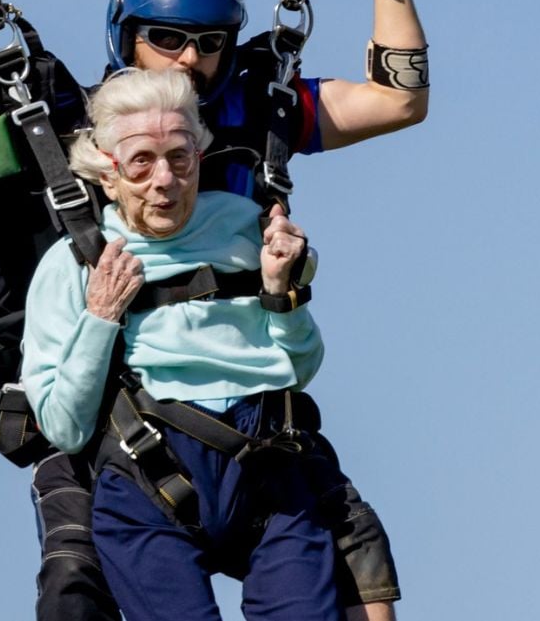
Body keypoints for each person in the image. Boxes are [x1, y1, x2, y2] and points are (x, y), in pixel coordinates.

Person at [0, 0, 428, 619]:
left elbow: (399, 101)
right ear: (127, 36)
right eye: (168, 39)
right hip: (109, 422)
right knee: (76, 594)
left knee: (363, 580)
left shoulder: (252, 110)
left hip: (244, 414)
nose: (191, 60)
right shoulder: (67, 121)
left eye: (210, 42)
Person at [23, 67, 340, 621]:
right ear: (107, 172)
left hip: (268, 468)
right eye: (142, 162)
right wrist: (101, 317)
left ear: (200, 156)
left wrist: (279, 293)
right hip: (150, 478)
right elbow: (64, 426)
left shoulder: (249, 231)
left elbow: (301, 366)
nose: (164, 179)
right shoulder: (71, 265)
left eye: (179, 157)